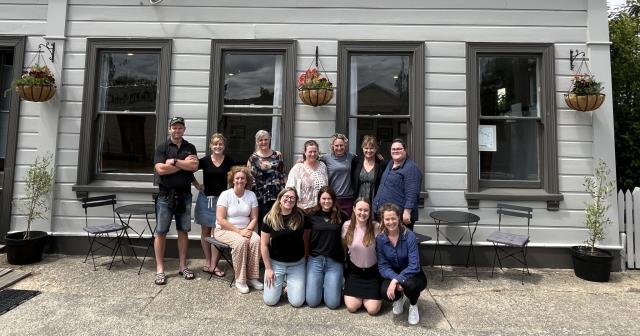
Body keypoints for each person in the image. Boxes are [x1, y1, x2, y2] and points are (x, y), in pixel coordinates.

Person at [153, 116, 198, 285]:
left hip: (185, 195)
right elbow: (160, 170)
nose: (177, 130)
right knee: (161, 232)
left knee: (183, 231)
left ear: (184, 129)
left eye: (180, 127)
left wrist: (173, 161)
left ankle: (182, 266)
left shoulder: (190, 147)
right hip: (165, 195)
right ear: (169, 129)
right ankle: (160, 270)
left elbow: (193, 167)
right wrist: (182, 164)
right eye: (174, 127)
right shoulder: (162, 147)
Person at [214, 166, 262, 294]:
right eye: (237, 178)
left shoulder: (251, 195)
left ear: (247, 181)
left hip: (245, 229)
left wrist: (248, 230)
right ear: (233, 180)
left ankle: (252, 277)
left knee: (256, 240)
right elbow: (220, 219)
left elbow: (254, 217)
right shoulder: (225, 195)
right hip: (224, 230)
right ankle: (240, 280)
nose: (240, 180)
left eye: (243, 178)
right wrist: (239, 232)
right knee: (240, 242)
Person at [376, 203, 427, 325]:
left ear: (399, 218)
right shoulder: (380, 239)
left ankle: (413, 305)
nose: (390, 222)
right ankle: (399, 298)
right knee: (385, 293)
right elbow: (382, 266)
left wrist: (395, 281)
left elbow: (414, 266)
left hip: (413, 274)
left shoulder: (409, 236)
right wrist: (394, 278)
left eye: (393, 218)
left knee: (410, 286)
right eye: (387, 219)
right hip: (393, 272)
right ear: (383, 220)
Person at [192, 133, 233, 278]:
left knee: (218, 232)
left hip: (221, 201)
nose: (218, 146)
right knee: (205, 231)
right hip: (205, 199)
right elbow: (189, 170)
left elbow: (236, 176)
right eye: (215, 144)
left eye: (220, 144)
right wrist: (197, 185)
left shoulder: (229, 161)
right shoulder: (204, 161)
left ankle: (214, 265)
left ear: (224, 146)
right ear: (211, 146)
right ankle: (208, 261)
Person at [261, 187, 310, 307]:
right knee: (270, 301)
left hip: (297, 264)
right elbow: (264, 244)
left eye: (293, 198)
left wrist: (306, 257)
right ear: (279, 199)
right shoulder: (269, 218)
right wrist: (268, 269)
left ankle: (290, 286)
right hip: (276, 264)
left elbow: (307, 239)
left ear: (296, 201)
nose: (289, 199)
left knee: (297, 302)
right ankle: (280, 286)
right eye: (286, 197)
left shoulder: (302, 216)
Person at [305, 186, 349, 309]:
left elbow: (346, 239)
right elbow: (306, 238)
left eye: (329, 198)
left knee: (333, 304)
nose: (326, 201)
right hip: (315, 260)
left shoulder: (342, 216)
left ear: (334, 200)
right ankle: (321, 285)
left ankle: (331, 286)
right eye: (323, 198)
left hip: (334, 261)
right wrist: (306, 256)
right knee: (312, 302)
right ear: (319, 199)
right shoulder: (311, 216)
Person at [342, 198, 382, 315]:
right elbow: (344, 247)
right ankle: (360, 298)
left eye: (366, 210)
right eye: (360, 209)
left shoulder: (376, 227)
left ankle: (370, 298)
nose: (362, 213)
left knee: (372, 310)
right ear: (354, 209)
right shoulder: (346, 226)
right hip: (355, 273)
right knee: (352, 307)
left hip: (372, 274)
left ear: (370, 212)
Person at [373, 138, 422, 230]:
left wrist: (407, 211)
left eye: (399, 149)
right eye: (393, 149)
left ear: (405, 150)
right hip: (384, 213)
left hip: (398, 216)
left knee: (399, 243)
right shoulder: (390, 163)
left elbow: (412, 191)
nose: (396, 151)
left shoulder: (411, 168)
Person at [247, 130, 286, 229]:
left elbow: (282, 174)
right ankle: (263, 244)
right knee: (264, 224)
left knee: (277, 224)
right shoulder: (253, 158)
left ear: (269, 140)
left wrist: (285, 191)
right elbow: (250, 178)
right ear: (257, 142)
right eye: (260, 140)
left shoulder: (277, 155)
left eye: (266, 139)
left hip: (277, 195)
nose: (263, 142)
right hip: (261, 197)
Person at [285, 140, 328, 213]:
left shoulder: (322, 166)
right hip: (302, 210)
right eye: (310, 152)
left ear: (318, 152)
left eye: (315, 151)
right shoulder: (298, 168)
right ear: (305, 152)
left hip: (320, 209)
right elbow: (289, 189)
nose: (313, 154)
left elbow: (326, 186)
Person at [320, 133, 356, 216]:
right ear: (332, 146)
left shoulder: (351, 157)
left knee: (347, 224)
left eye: (341, 145)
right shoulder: (326, 158)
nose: (339, 148)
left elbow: (365, 161)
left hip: (348, 198)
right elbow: (313, 161)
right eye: (336, 145)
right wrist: (302, 161)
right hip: (332, 198)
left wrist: (378, 159)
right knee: (334, 224)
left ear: (345, 145)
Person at [351, 135, 386, 203]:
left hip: (375, 200)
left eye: (372, 148)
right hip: (358, 198)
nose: (369, 151)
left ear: (376, 149)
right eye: (366, 148)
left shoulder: (381, 163)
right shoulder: (356, 161)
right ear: (362, 148)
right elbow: (352, 179)